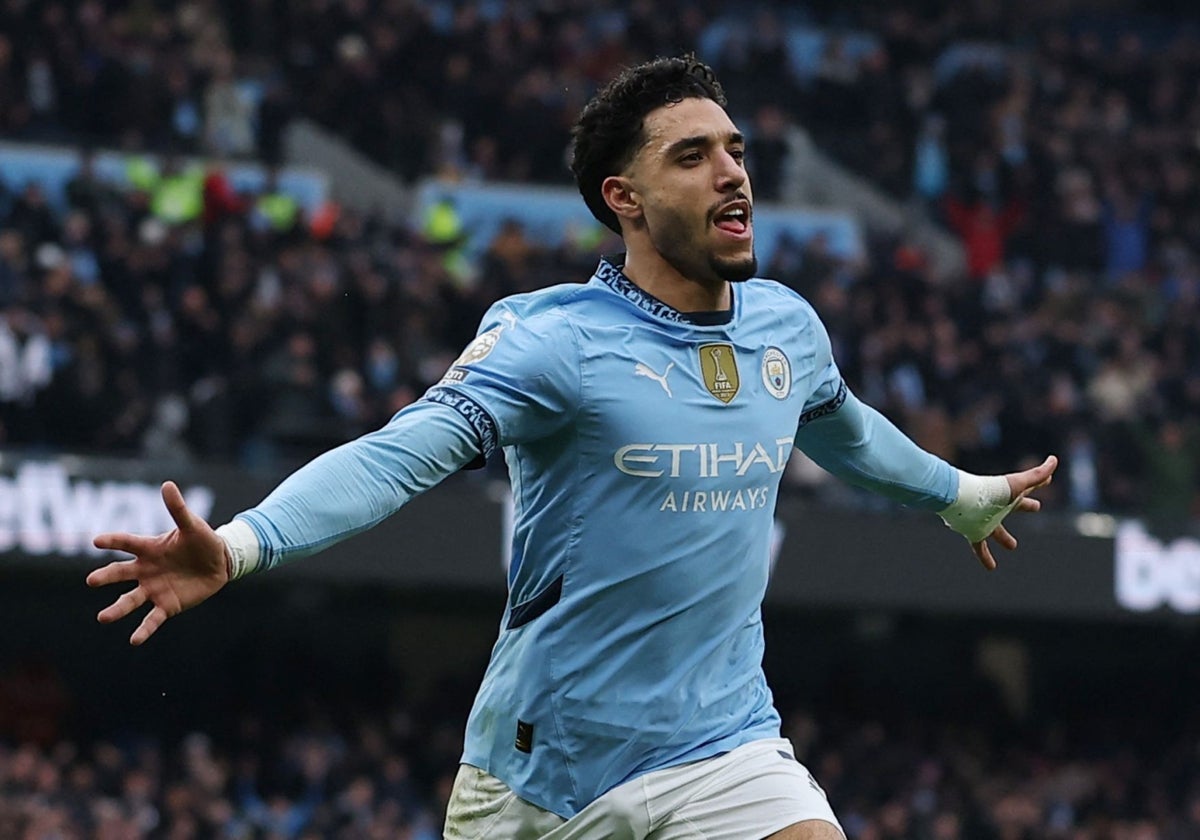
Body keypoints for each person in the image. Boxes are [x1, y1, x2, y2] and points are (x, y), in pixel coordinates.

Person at [88, 56, 1057, 840]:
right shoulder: (556, 340)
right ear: (623, 198)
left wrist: (954, 494)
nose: (732, 173)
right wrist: (245, 543)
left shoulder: (786, 330)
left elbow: (843, 429)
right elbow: (398, 455)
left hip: (725, 745)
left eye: (735, 149)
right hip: (544, 776)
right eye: (692, 157)